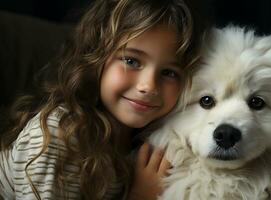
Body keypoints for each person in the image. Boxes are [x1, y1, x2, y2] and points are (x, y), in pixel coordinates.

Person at [0, 0, 208, 199]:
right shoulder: (60, 135)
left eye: (169, 73)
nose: (149, 86)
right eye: (131, 61)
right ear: (95, 57)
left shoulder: (144, 143)